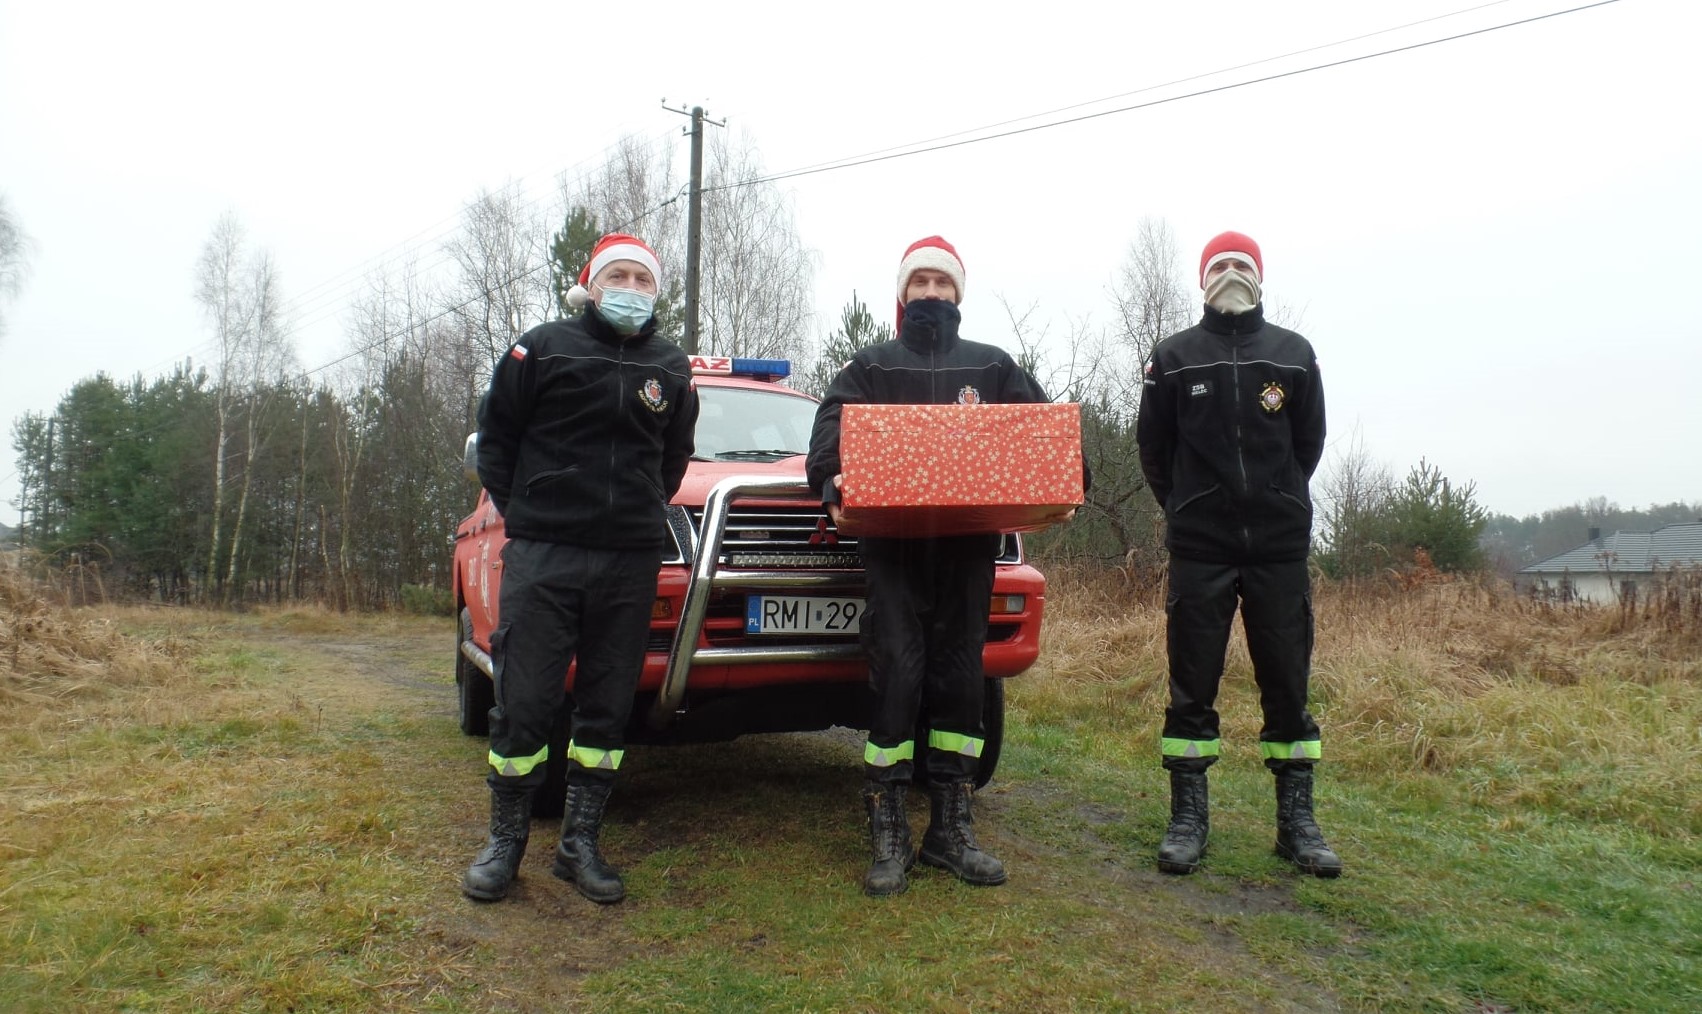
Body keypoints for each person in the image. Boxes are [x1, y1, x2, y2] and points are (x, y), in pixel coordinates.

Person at [807, 235, 1081, 896]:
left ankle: (950, 829)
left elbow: (1047, 435)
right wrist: (832, 479)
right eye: (920, 281)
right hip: (894, 554)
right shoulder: (871, 368)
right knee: (898, 672)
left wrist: (1066, 482)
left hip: (966, 553)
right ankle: (889, 824)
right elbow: (827, 435)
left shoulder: (992, 369)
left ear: (959, 292)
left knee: (962, 679)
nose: (931, 292)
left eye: (942, 282)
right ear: (903, 293)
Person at [462, 232, 699, 904]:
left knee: (604, 708)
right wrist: (531, 513)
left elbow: (672, 461)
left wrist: (637, 512)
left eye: (642, 278)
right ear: (590, 284)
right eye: (617, 275)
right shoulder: (541, 347)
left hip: (629, 560)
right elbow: (497, 440)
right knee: (527, 702)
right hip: (544, 556)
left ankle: (579, 846)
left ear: (656, 290)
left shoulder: (671, 368)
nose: (630, 287)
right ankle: (505, 846)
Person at [1135, 230, 1341, 878]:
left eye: (1241, 264)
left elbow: (1308, 444)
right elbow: (1153, 450)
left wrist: (1276, 496)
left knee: (1287, 683)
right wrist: (1189, 506)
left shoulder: (1294, 355)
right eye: (1218, 264)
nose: (1230, 272)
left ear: (1259, 278)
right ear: (1202, 280)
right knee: (1191, 685)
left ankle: (1297, 825)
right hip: (1200, 547)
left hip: (1278, 548)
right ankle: (1188, 820)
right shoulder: (1172, 358)